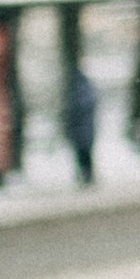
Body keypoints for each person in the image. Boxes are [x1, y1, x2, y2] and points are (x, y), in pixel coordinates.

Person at [62, 58, 99, 191]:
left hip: (81, 129)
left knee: (82, 154)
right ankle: (87, 176)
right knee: (85, 154)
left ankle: (85, 177)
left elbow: (76, 109)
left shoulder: (77, 89)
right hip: (85, 129)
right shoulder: (86, 87)